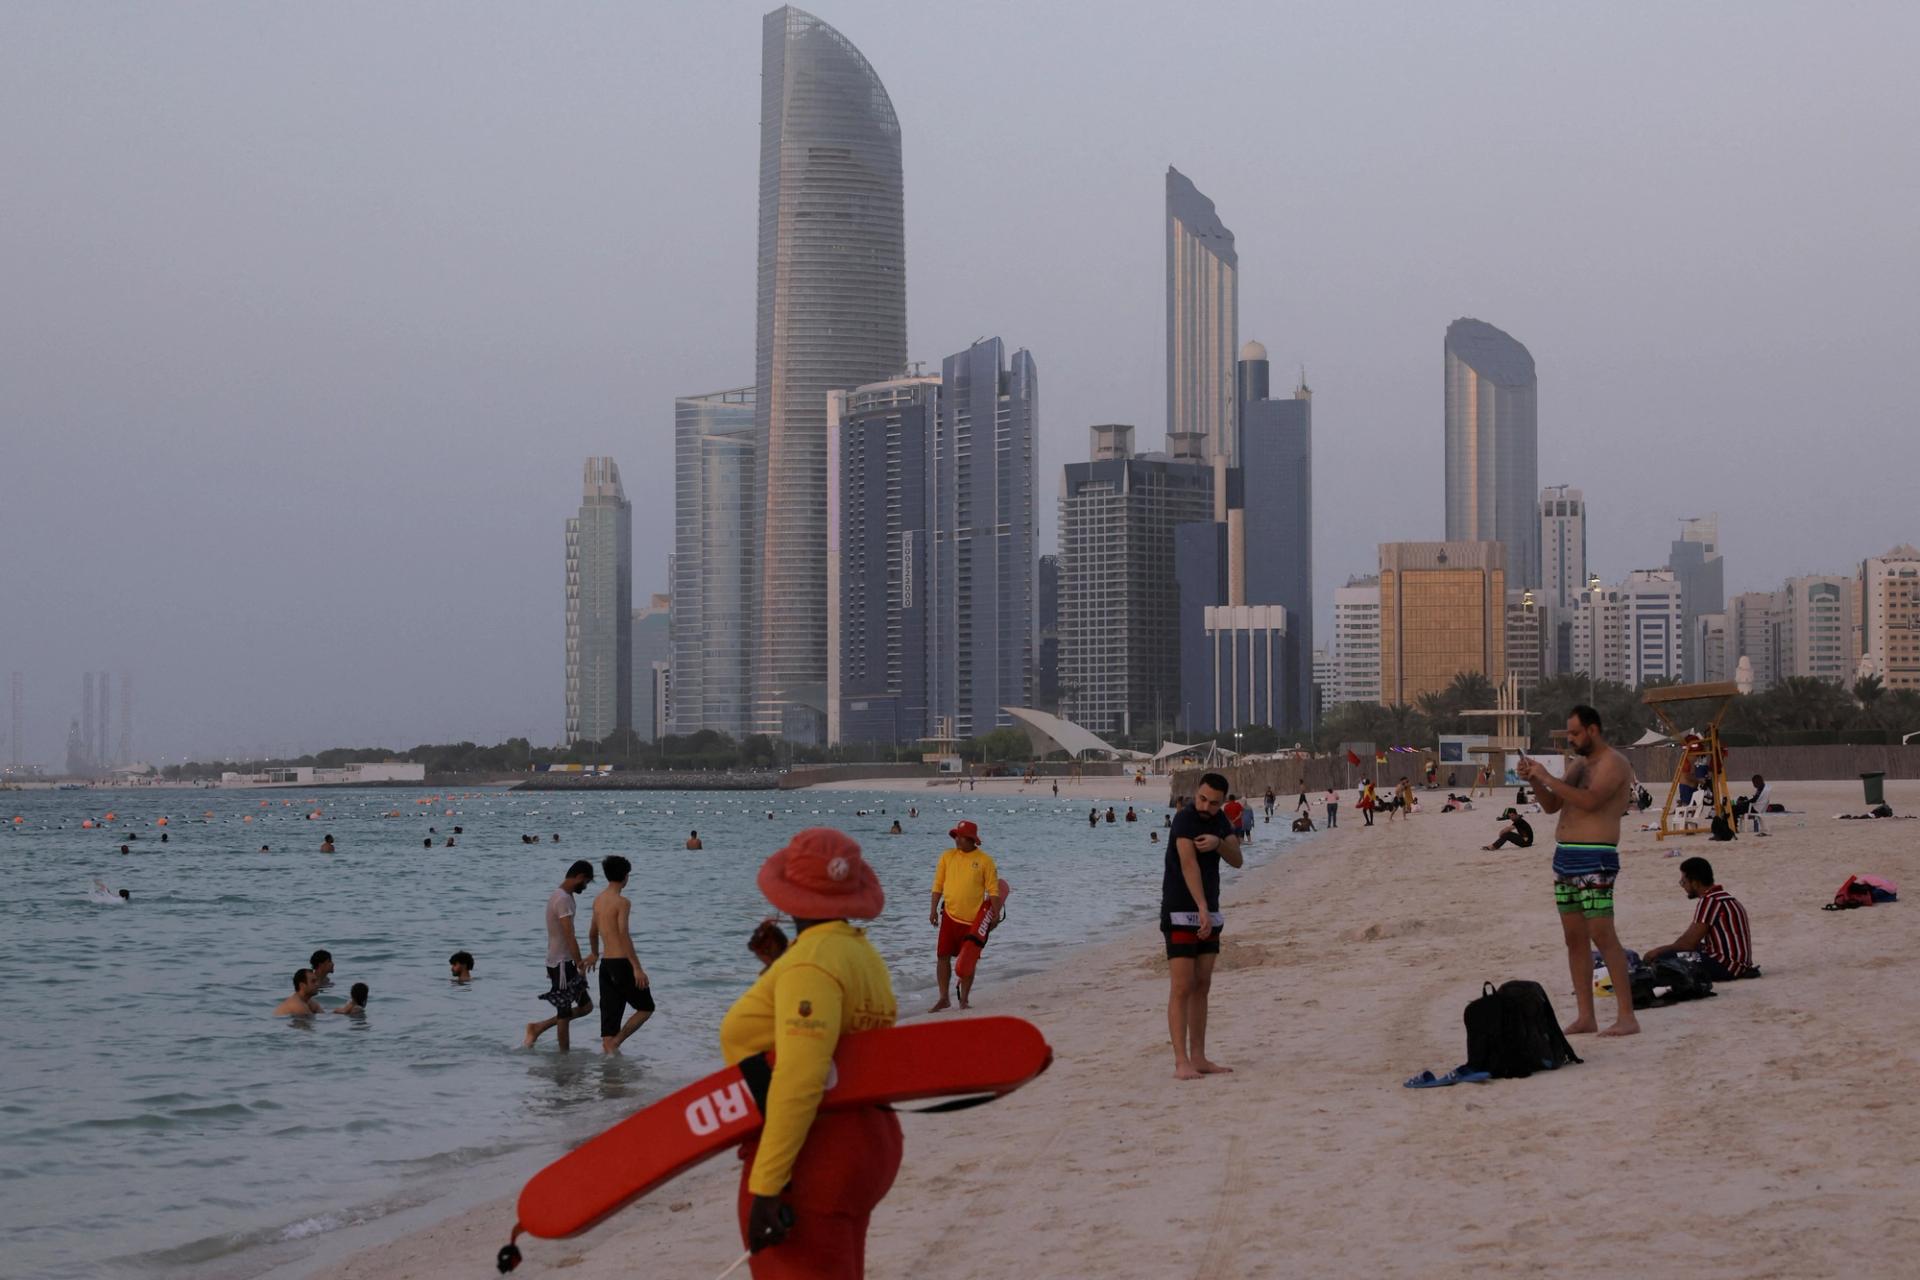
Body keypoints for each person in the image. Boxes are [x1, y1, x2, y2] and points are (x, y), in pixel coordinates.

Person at [721, 828, 898, 1277]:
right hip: (867, 1133)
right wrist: (784, 966)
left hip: (814, 1150)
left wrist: (767, 1186)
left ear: (788, 893)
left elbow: (801, 1077)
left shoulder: (810, 963)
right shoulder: (855, 949)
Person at [1516, 706, 1639, 1037]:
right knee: (1574, 939)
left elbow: (1590, 801)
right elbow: (1552, 805)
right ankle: (1587, 1015)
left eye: (1574, 733)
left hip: (1596, 856)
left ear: (1593, 730)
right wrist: (1534, 780)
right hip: (1565, 857)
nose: (1570, 739)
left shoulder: (1614, 763)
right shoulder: (1579, 764)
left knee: (1602, 933)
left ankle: (1627, 1016)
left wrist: (1545, 775)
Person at [1164, 772, 1243, 1080]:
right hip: (1180, 909)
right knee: (1182, 986)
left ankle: (1199, 1057)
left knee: (1202, 985)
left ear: (1222, 801)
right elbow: (1188, 864)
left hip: (1211, 910)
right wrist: (1200, 907)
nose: (1206, 806)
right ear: (1196, 793)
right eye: (1202, 799)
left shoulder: (1221, 822)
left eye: (1213, 802)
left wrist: (1218, 844)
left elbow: (1237, 859)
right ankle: (1181, 1061)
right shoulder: (1184, 820)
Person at [1641, 856, 1757, 981]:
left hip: (1726, 965)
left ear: (1695, 882)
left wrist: (1657, 951)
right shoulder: (1725, 897)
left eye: (1684, 881)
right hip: (1740, 963)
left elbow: (1688, 943)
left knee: (1663, 959)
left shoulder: (1710, 901)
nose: (1682, 886)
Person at [524, 860, 597, 1050]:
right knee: (564, 1013)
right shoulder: (564, 899)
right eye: (586, 882)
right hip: (563, 963)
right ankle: (564, 1062)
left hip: (558, 962)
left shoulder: (559, 894)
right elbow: (569, 935)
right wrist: (580, 965)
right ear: (579, 877)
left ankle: (538, 1028)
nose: (585, 886)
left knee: (586, 1007)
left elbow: (553, 933)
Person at [929, 821, 999, 1011]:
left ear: (971, 840)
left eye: (960, 836)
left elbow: (993, 890)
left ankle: (964, 1000)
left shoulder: (985, 861)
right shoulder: (947, 857)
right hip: (949, 916)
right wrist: (933, 909)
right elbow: (938, 885)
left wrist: (995, 914)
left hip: (973, 921)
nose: (957, 840)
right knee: (942, 956)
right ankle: (944, 998)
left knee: (968, 960)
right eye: (956, 836)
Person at [591, 854, 655, 1054]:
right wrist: (637, 968)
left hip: (606, 964)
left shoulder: (598, 900)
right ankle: (616, 1043)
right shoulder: (622, 902)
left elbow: (591, 933)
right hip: (621, 963)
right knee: (646, 1008)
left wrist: (593, 954)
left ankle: (611, 1074)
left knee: (610, 1019)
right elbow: (623, 935)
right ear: (626, 876)